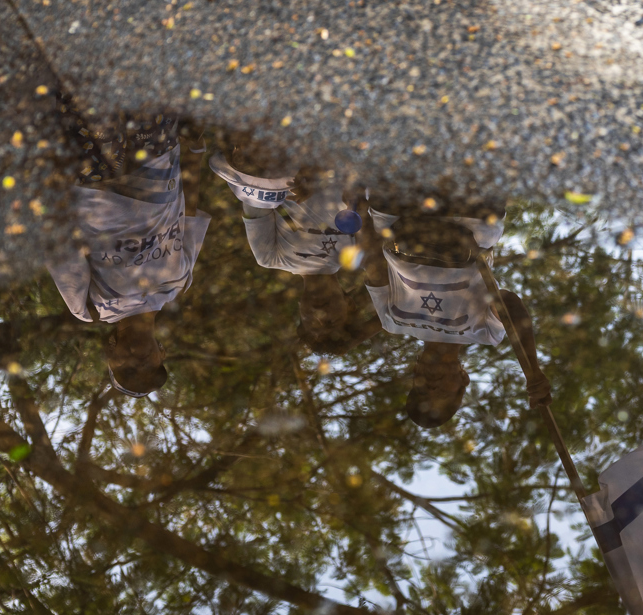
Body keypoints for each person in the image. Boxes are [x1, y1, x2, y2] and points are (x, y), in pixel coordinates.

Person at [46, 106, 211, 397]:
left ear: (110, 357)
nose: (140, 363)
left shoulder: (90, 309)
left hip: (95, 177)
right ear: (163, 354)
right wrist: (195, 151)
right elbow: (190, 213)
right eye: (151, 369)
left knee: (85, 92)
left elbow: (58, 241)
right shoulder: (180, 284)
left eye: (129, 370)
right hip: (159, 163)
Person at [359, 194, 551, 428]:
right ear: (464, 380)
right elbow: (508, 303)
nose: (431, 387)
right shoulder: (486, 333)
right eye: (440, 395)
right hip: (472, 215)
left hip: (400, 211)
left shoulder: (391, 322)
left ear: (413, 376)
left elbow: (372, 259)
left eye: (421, 392)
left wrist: (360, 207)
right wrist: (532, 368)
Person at [209, 150, 380, 354]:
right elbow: (392, 316)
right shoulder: (358, 255)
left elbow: (252, 190)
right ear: (349, 305)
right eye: (330, 321)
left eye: (310, 322)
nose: (318, 313)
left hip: (282, 154)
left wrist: (298, 175)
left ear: (299, 310)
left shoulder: (270, 257)